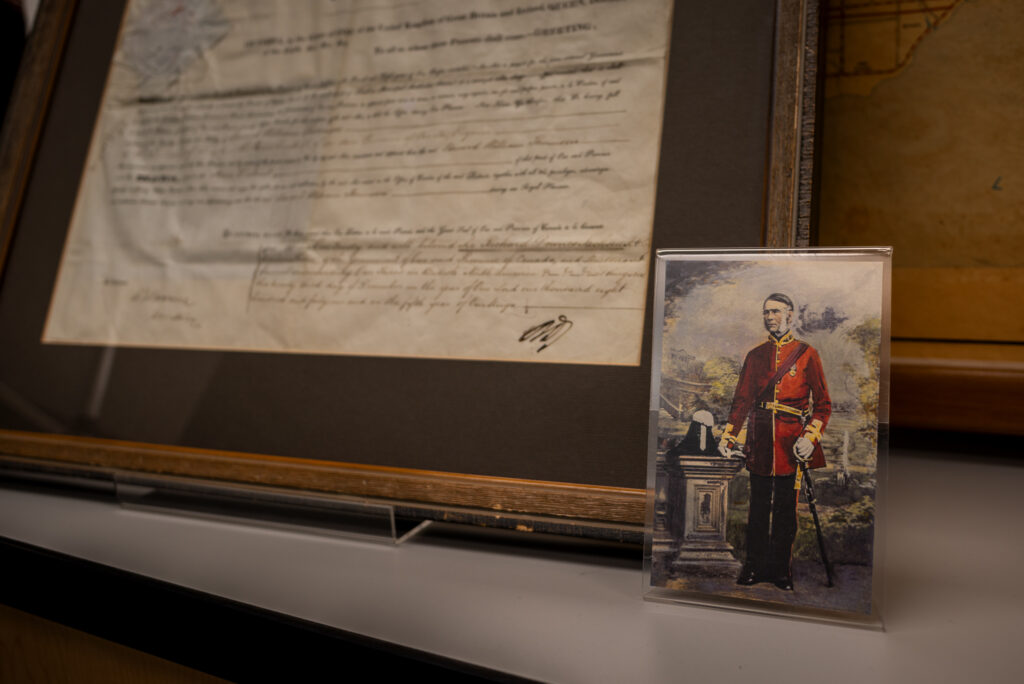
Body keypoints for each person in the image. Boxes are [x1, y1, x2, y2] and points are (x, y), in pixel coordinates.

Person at [717, 293, 831, 590]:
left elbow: (822, 405)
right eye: (766, 312)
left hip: (791, 444)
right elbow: (741, 400)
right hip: (760, 441)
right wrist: (729, 436)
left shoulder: (807, 354)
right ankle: (753, 567)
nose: (770, 317)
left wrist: (810, 437)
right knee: (757, 510)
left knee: (784, 512)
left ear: (790, 315)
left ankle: (781, 570)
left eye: (776, 312)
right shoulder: (755, 356)